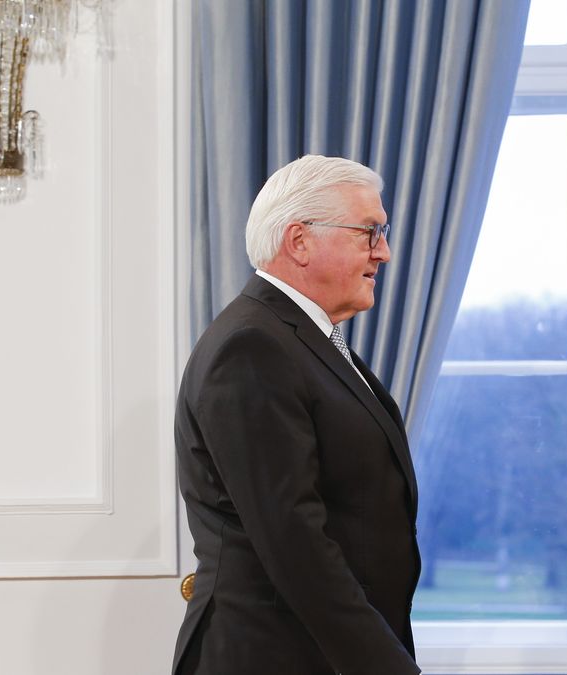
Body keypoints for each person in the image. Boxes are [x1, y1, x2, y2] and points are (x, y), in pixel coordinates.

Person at [172, 155, 420, 674]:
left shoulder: (300, 338)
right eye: (370, 232)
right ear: (300, 240)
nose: (386, 252)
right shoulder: (251, 347)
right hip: (271, 654)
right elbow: (294, 543)